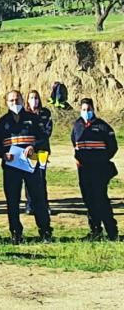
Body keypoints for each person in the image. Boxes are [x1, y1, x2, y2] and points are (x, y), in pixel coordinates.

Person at [0, 90, 53, 244]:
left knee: (38, 198)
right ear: (7, 103)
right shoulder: (2, 122)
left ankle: (45, 231)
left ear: (22, 100)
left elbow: (43, 139)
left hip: (31, 163)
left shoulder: (33, 119)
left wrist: (33, 146)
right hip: (11, 165)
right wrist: (2, 154)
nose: (15, 103)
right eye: (11, 101)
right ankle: (15, 232)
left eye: (17, 100)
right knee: (12, 200)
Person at [72, 98, 119, 241]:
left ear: (93, 109)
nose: (86, 112)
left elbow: (113, 147)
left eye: (89, 109)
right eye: (84, 110)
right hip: (84, 170)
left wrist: (100, 160)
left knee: (101, 200)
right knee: (89, 200)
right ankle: (95, 230)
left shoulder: (103, 126)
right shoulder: (77, 126)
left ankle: (112, 231)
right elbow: (75, 143)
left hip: (99, 170)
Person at [24, 89, 53, 215]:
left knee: (41, 178)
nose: (33, 100)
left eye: (35, 98)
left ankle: (44, 204)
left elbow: (47, 133)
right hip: (29, 152)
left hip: (42, 150)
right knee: (29, 177)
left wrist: (34, 144)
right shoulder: (24, 115)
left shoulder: (45, 113)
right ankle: (30, 204)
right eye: (31, 98)